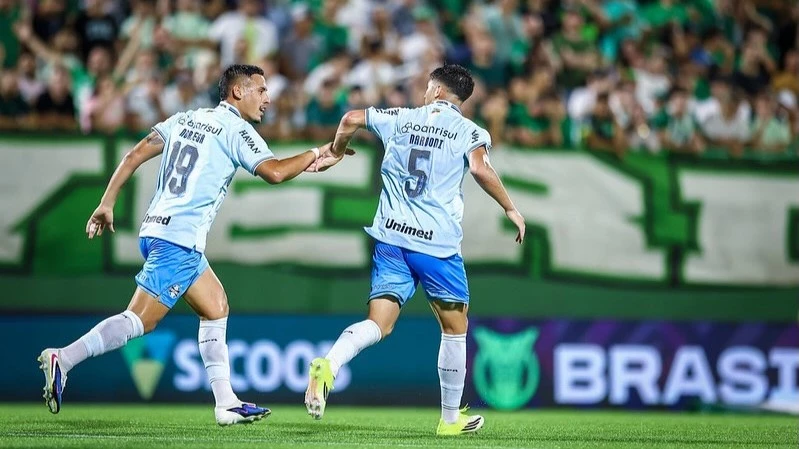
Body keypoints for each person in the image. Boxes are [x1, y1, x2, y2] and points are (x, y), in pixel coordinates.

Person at [37, 64, 352, 426]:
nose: (267, 98)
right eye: (261, 90)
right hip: (179, 239)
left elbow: (133, 155)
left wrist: (107, 203)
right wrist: (316, 152)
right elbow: (275, 172)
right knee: (139, 320)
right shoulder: (235, 129)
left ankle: (226, 403)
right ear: (238, 91)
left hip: (156, 230)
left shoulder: (186, 118)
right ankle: (64, 358)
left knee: (216, 306)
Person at [303, 65, 526, 436]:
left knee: (379, 323)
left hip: (391, 239)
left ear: (437, 90)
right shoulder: (469, 131)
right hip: (437, 246)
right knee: (455, 328)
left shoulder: (400, 118)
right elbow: (480, 168)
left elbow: (351, 118)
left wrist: (337, 151)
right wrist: (510, 208)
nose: (424, 92)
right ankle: (450, 420)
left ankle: (330, 364)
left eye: (427, 86)